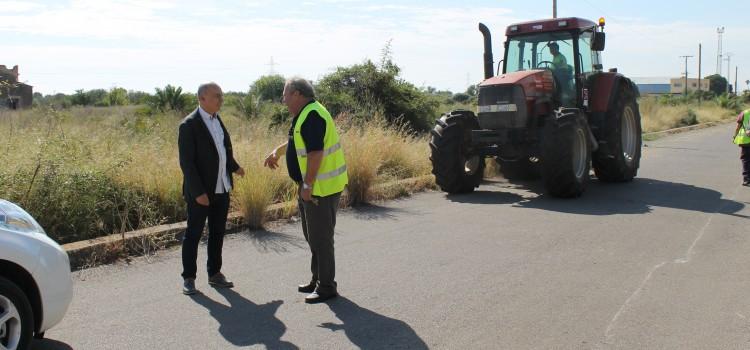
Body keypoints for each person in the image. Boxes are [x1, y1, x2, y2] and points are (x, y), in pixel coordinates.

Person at [263, 77, 348, 304]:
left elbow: (315, 153)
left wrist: (308, 185)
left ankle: (327, 286)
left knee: (321, 239)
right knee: (312, 236)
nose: (284, 100)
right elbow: (296, 141)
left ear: (298, 94)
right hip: (312, 186)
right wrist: (277, 152)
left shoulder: (312, 115)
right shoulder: (305, 114)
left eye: (285, 95)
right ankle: (317, 279)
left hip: (320, 188)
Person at [178, 82, 245, 295]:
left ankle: (215, 274)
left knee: (217, 233)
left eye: (221, 95)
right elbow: (187, 164)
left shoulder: (217, 120)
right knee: (194, 234)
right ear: (202, 98)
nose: (220, 99)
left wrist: (235, 167)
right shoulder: (188, 125)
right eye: (216, 96)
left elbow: (222, 150)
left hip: (221, 187)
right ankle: (189, 278)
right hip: (201, 193)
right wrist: (199, 193)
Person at [732, 108, 750, 186]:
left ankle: (746, 179)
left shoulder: (745, 113)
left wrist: (735, 136)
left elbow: (738, 126)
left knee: (745, 160)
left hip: (746, 141)